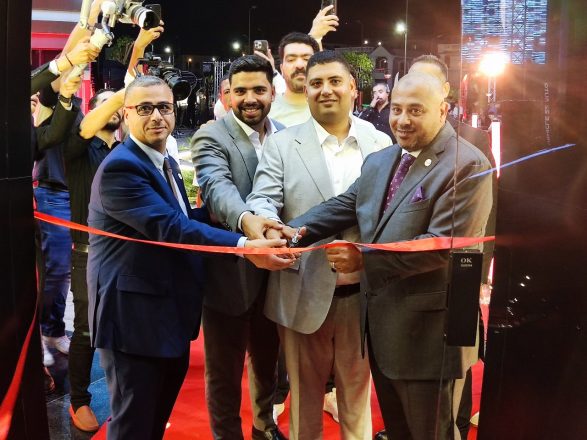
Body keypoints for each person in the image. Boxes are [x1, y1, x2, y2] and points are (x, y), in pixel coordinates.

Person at [284, 72, 493, 440]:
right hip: (383, 331)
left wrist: (364, 259)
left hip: (429, 337)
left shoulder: (466, 164)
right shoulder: (382, 160)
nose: (402, 120)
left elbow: (443, 246)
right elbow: (345, 205)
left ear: (442, 111)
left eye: (416, 110)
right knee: (399, 431)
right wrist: (291, 231)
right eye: (396, 109)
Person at [87, 75, 291, 440]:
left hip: (166, 314)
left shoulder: (161, 159)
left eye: (164, 107)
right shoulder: (122, 167)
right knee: (133, 425)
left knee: (152, 421)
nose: (156, 116)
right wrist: (243, 244)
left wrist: (243, 219)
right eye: (144, 108)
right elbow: (171, 228)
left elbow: (182, 217)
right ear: (126, 114)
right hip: (133, 321)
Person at [247, 51, 387, 440]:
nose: (326, 90)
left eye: (335, 81)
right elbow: (263, 198)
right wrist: (269, 228)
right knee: (304, 404)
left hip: (363, 295)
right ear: (305, 91)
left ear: (353, 89)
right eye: (316, 83)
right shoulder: (282, 144)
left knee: (356, 400)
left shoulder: (379, 142)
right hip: (302, 290)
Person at [190, 55, 287, 440]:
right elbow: (217, 189)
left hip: (278, 273)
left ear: (272, 93)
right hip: (229, 276)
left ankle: (265, 427)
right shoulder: (211, 136)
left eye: (258, 90)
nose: (250, 98)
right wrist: (248, 223)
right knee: (224, 371)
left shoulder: (285, 134)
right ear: (228, 94)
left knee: (268, 361)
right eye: (241, 90)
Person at [62, 86, 124, 431]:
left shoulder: (127, 152)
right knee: (86, 329)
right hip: (88, 255)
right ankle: (79, 400)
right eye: (105, 102)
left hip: (126, 255)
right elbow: (84, 129)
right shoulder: (79, 150)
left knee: (122, 325)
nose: (114, 108)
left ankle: (123, 395)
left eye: (118, 104)